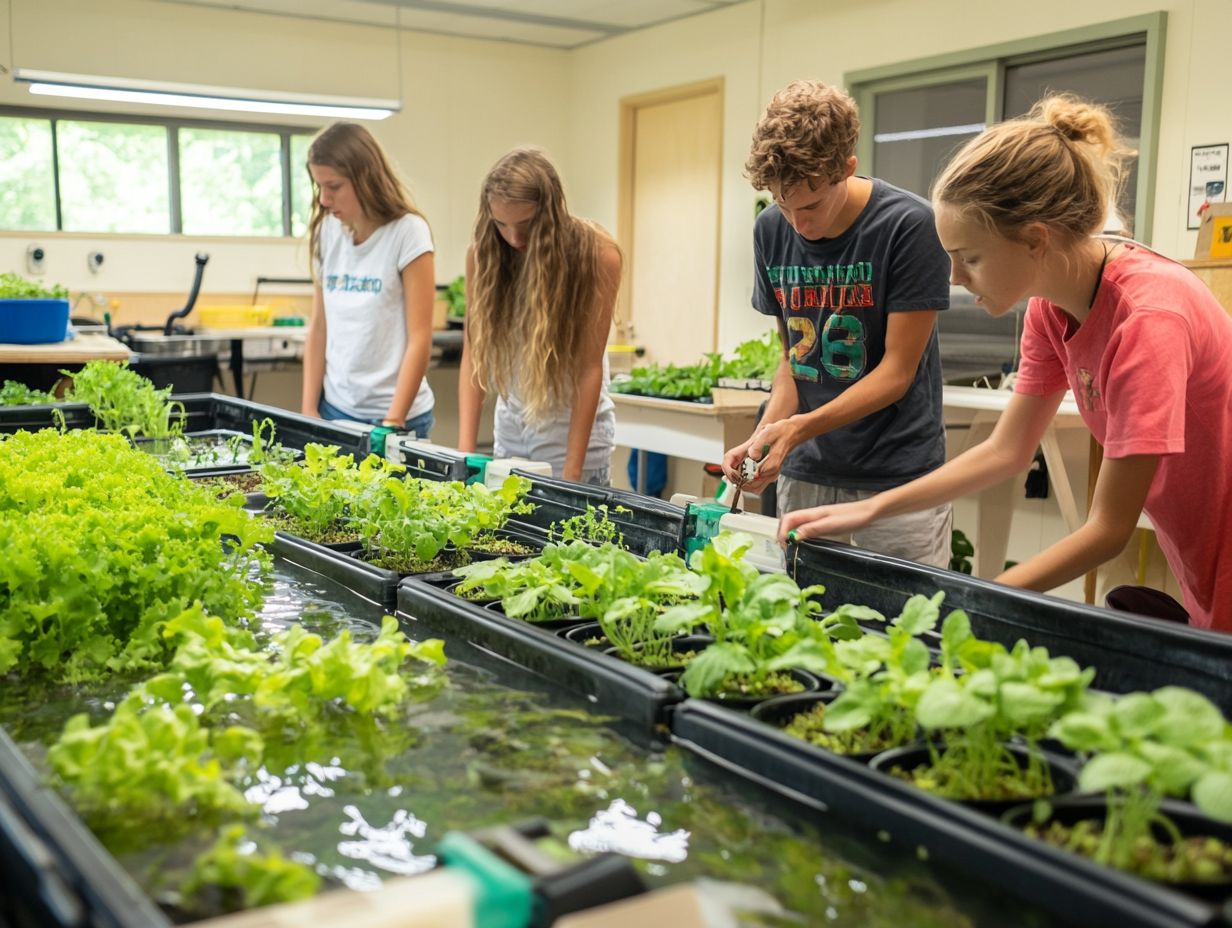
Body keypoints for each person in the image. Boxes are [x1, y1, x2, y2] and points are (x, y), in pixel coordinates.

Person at [781, 94, 1232, 634]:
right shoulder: (1050, 307)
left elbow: (1108, 529)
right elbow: (1006, 450)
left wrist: (964, 601)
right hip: (1201, 550)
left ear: (1035, 240)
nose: (954, 278)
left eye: (969, 258)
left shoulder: (1148, 320)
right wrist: (870, 510)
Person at [723, 80, 953, 567]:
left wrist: (797, 429)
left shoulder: (908, 227)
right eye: (782, 205)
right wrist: (766, 437)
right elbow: (794, 360)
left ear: (846, 169)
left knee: (906, 627)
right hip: (808, 470)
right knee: (804, 616)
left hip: (898, 476)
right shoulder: (770, 230)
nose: (796, 223)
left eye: (809, 206)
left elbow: (897, 373)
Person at [457, 148, 621, 484]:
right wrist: (464, 453)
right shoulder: (483, 254)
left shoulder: (597, 255)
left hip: (573, 444)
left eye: (527, 225)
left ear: (551, 213)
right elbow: (474, 353)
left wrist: (572, 473)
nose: (514, 238)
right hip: (512, 434)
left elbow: (589, 368)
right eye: (501, 224)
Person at [300, 122, 436, 437]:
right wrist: (309, 410)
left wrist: (393, 421)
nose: (323, 199)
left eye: (333, 187)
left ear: (365, 180)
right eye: (319, 186)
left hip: (397, 418)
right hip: (336, 410)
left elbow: (420, 337)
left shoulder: (408, 232)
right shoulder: (325, 232)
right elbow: (319, 327)